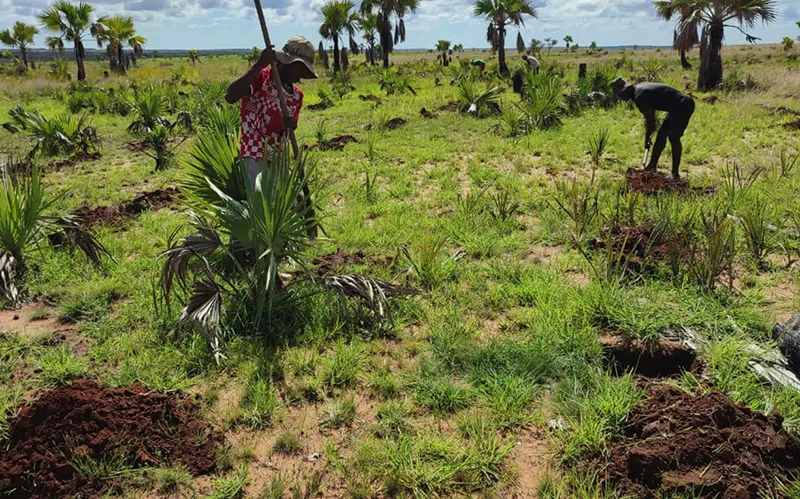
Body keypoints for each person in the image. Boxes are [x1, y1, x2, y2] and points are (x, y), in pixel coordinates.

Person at [225, 36, 317, 186]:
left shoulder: (297, 95)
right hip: (254, 154)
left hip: (278, 158)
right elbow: (230, 96)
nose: (300, 73)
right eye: (299, 67)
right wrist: (259, 65)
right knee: (261, 203)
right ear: (285, 62)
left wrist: (289, 124)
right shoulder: (261, 79)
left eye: (303, 69)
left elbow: (287, 129)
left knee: (287, 203)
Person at [611, 77, 695, 179]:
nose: (619, 97)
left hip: (683, 105)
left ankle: (675, 174)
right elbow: (652, 114)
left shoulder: (639, 96)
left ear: (626, 90)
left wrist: (647, 137)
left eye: (619, 94)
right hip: (674, 108)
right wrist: (649, 135)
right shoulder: (638, 90)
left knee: (673, 137)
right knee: (661, 136)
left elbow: (650, 120)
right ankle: (652, 166)